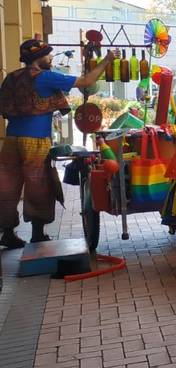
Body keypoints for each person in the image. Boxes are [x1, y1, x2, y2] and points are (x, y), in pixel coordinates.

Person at [0, 40, 114, 247]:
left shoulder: (11, 77)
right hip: (34, 140)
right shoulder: (44, 77)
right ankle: (37, 233)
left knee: (7, 186)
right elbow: (86, 81)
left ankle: (7, 232)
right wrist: (106, 60)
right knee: (39, 184)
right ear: (38, 58)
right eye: (48, 55)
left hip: (10, 140)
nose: (51, 58)